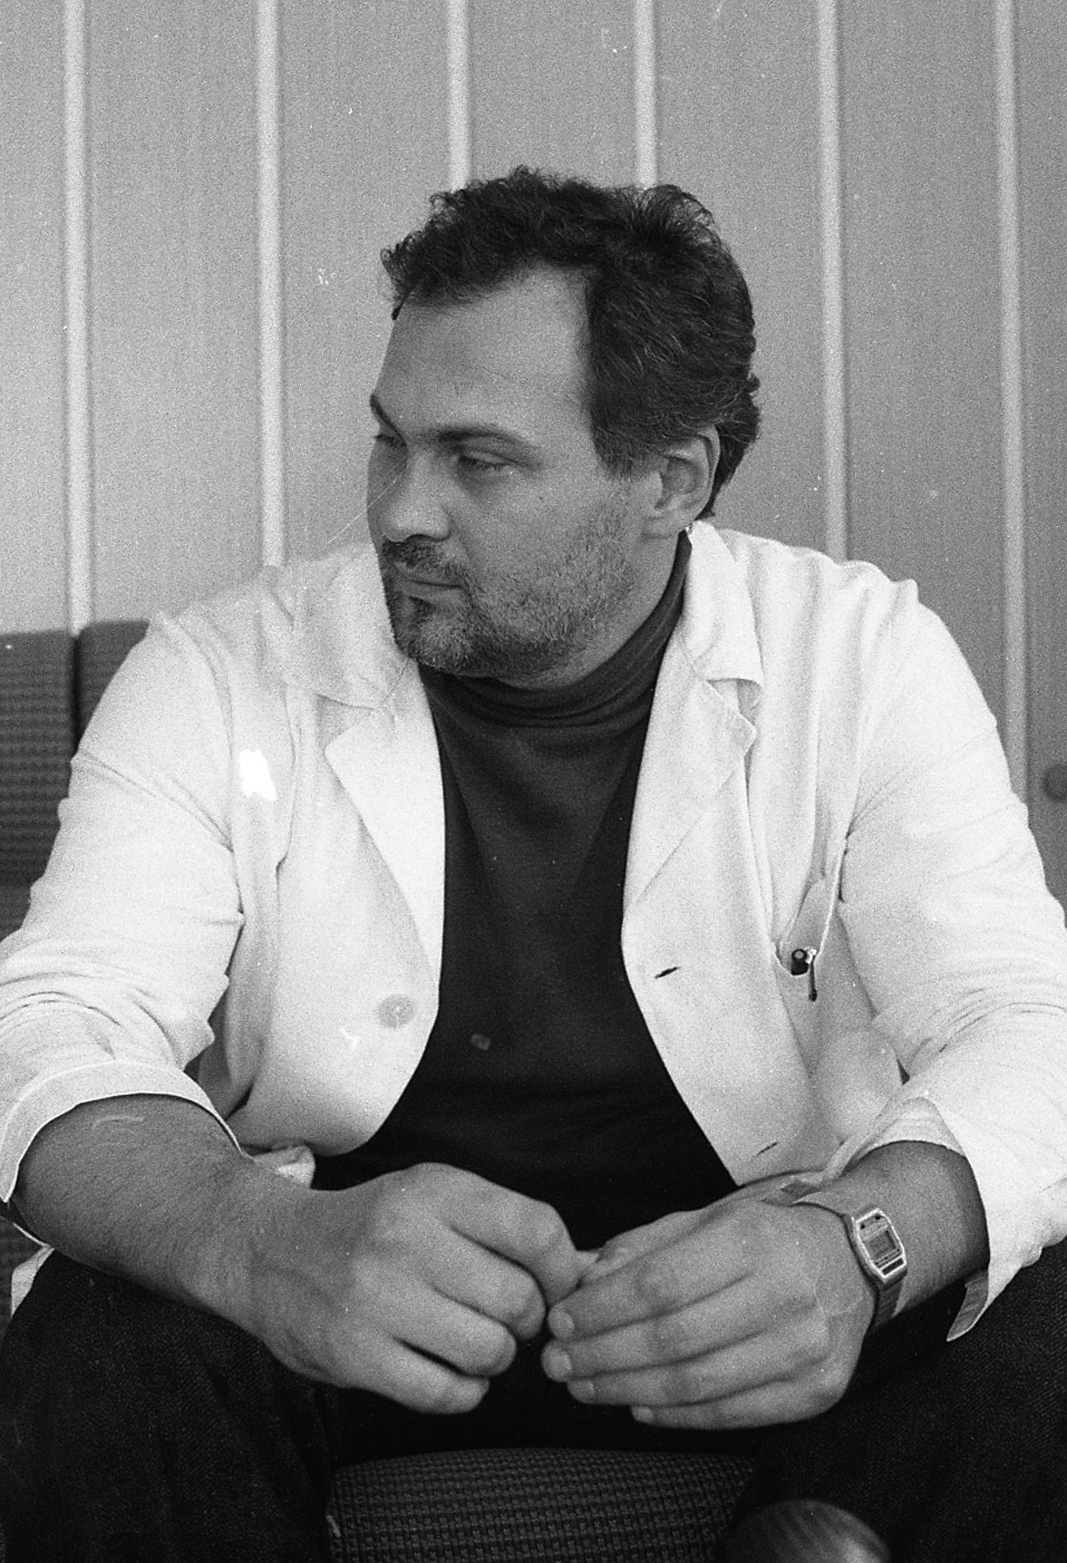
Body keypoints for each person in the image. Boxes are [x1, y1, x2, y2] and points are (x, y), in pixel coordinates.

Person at [1, 165, 1066, 1562]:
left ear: (670, 479)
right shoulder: (216, 672)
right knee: (106, 1335)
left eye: (478, 460)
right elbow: (53, 1017)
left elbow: (1025, 1022)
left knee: (1043, 1325)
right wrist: (250, 1239)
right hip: (342, 1302)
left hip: (757, 1299)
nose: (400, 510)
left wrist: (861, 1244)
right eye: (391, 443)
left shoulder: (860, 657)